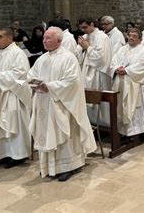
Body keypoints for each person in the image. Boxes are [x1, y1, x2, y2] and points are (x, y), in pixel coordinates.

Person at [27, 27, 97, 181]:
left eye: (48, 38)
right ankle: (49, 166)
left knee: (64, 134)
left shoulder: (68, 57)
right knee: (46, 134)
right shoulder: (42, 58)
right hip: (44, 103)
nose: (44, 40)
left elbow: (71, 82)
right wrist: (33, 83)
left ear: (59, 40)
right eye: (44, 38)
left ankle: (69, 166)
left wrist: (49, 86)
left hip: (62, 104)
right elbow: (31, 74)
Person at [0, 28, 32, 168]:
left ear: (9, 38)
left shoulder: (17, 53)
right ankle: (1, 154)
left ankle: (18, 155)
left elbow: (21, 75)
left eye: (0, 36)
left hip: (12, 95)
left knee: (12, 124)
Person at [111, 28, 144, 137]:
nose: (131, 37)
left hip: (137, 85)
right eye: (130, 35)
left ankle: (138, 132)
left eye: (134, 36)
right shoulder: (122, 49)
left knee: (136, 110)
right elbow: (113, 62)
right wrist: (116, 68)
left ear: (140, 39)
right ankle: (123, 131)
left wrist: (126, 70)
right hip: (122, 84)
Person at [76, 17, 113, 125]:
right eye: (81, 28)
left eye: (85, 27)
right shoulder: (84, 37)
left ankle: (105, 124)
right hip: (86, 70)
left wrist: (88, 47)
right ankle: (90, 124)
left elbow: (102, 57)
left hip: (98, 72)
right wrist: (82, 48)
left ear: (92, 24)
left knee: (100, 101)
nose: (83, 30)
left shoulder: (102, 37)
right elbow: (77, 54)